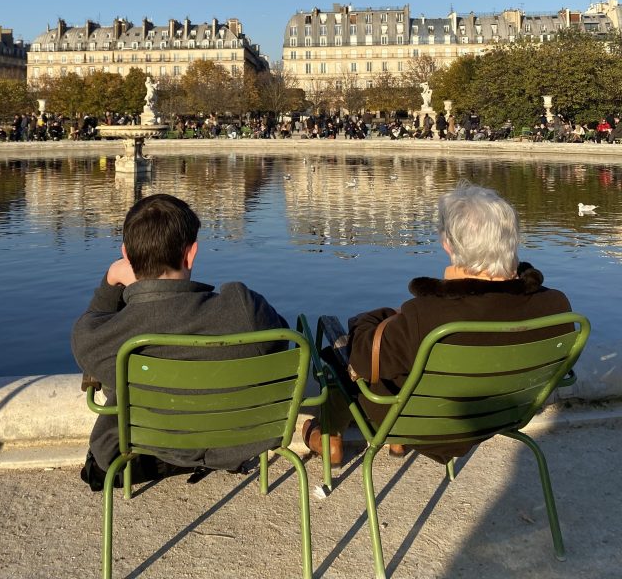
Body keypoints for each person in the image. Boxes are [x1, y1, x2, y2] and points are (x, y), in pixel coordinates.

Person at [303, 182, 572, 464]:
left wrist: (375, 319)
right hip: (505, 415)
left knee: (339, 353)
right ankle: (391, 441)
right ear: (512, 239)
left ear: (447, 244)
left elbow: (361, 360)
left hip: (424, 423)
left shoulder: (428, 316)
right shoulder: (557, 306)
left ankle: (330, 436)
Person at [71, 193, 288, 490]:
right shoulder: (243, 308)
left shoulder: (104, 338)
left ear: (126, 256)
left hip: (142, 445)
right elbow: (281, 341)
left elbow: (93, 317)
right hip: (239, 442)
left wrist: (110, 280)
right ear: (191, 253)